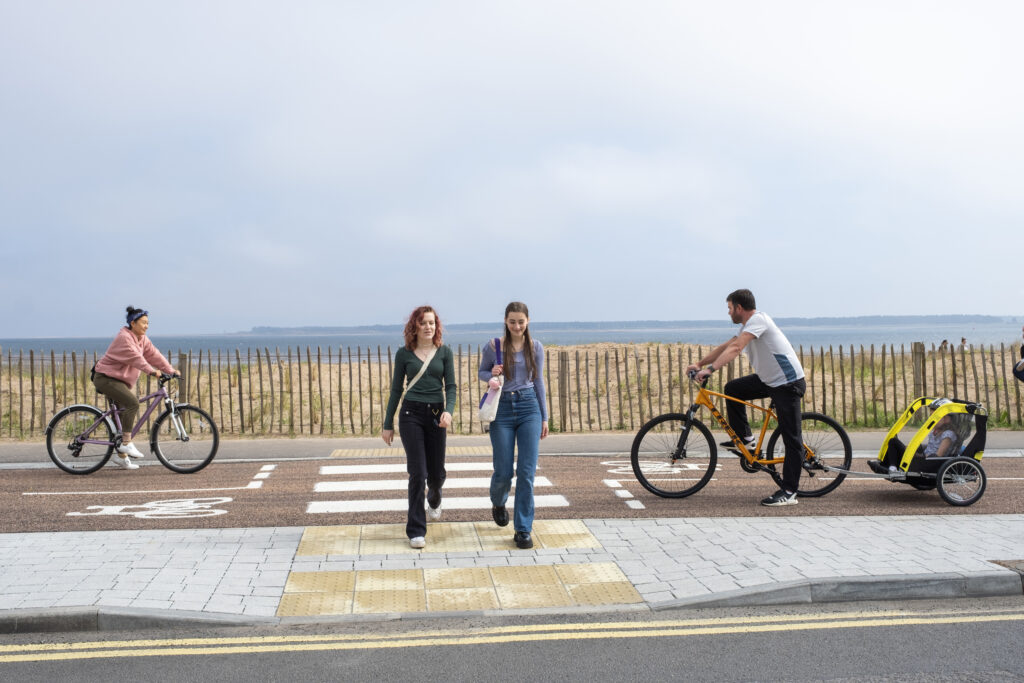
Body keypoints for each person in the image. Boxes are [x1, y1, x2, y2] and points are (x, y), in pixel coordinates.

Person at [686, 289, 806, 506]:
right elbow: (726, 346)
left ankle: (789, 492)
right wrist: (700, 364)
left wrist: (710, 370)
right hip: (769, 381)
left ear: (739, 308)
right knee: (733, 389)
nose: (729, 312)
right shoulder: (747, 327)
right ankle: (747, 441)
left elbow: (736, 348)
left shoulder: (759, 320)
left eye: (730, 308)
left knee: (792, 439)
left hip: (787, 383)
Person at [382, 306, 456, 550]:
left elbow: (452, 387)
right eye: (423, 323)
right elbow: (395, 390)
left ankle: (434, 498)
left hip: (436, 413)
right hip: (410, 413)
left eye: (432, 323)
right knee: (418, 472)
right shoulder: (404, 354)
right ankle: (416, 529)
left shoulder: (444, 352)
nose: (428, 327)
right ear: (414, 326)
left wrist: (449, 411)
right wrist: (387, 424)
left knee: (437, 474)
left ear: (437, 326)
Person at [478, 302, 549, 549]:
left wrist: (545, 417)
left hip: (529, 407)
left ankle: (523, 529)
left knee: (527, 473)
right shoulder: (494, 346)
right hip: (502, 409)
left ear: (527, 321)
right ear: (506, 322)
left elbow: (538, 381)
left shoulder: (535, 347)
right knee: (504, 471)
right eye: (512, 322)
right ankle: (498, 501)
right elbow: (482, 372)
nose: (517, 326)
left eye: (521, 321)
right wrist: (492, 374)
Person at [92, 306, 179, 470]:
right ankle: (126, 443)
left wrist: (170, 370)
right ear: (133, 323)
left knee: (123, 413)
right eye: (143, 323)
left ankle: (121, 457)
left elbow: (154, 354)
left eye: (148, 323)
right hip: (106, 378)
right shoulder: (124, 338)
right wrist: (152, 372)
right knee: (132, 403)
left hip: (118, 380)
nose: (147, 326)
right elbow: (137, 359)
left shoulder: (141, 338)